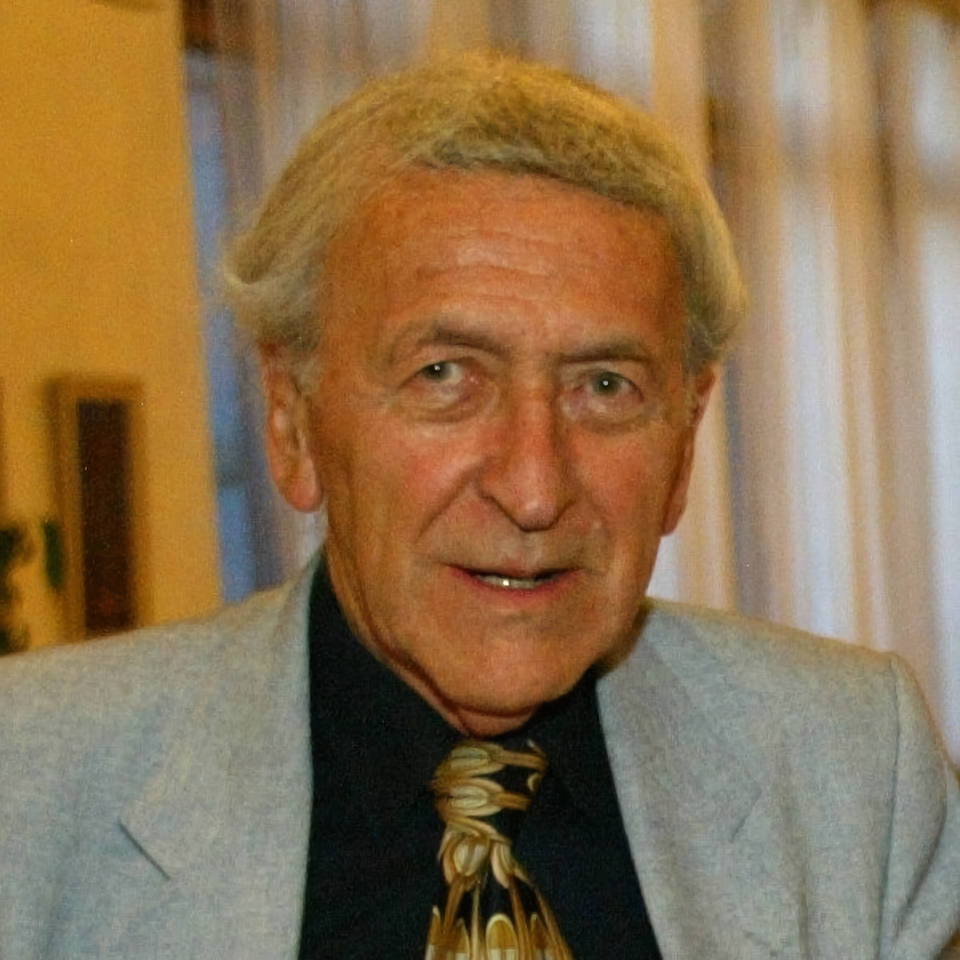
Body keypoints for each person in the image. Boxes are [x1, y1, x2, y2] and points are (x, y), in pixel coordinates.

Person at [1, 55, 958, 960]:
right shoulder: (30, 785)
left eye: (606, 386)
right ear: (292, 421)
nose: (534, 489)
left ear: (685, 439)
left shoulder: (852, 770)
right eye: (445, 375)